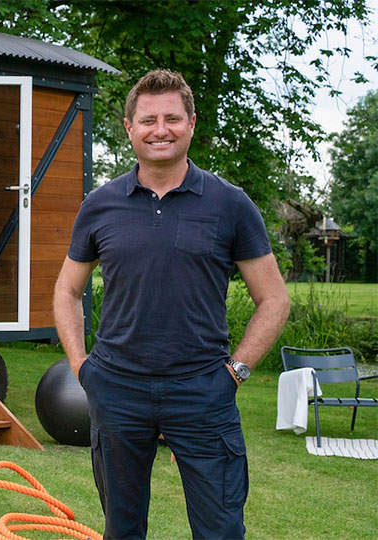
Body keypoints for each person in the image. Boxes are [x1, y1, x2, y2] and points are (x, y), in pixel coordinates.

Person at [52, 70, 290, 539]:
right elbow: (66, 291)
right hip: (117, 389)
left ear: (192, 124)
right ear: (129, 128)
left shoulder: (230, 204)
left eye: (172, 118)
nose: (160, 129)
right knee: (122, 529)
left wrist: (235, 372)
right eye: (148, 120)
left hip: (203, 390)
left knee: (220, 529)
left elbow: (274, 299)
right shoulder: (100, 205)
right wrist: (83, 368)